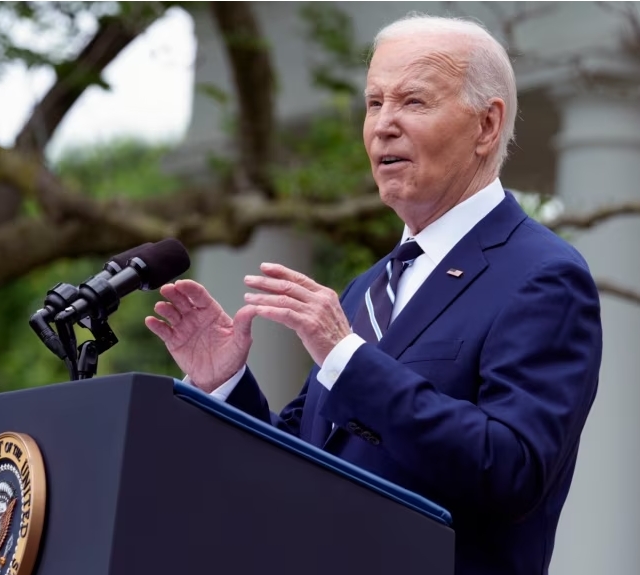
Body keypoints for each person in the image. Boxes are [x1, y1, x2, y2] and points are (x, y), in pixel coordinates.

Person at [146, 14, 602, 575]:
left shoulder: (542, 275)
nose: (383, 125)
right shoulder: (368, 289)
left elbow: (510, 471)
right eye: (374, 102)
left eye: (412, 101)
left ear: (487, 126)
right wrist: (225, 384)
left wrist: (348, 358)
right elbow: (298, 459)